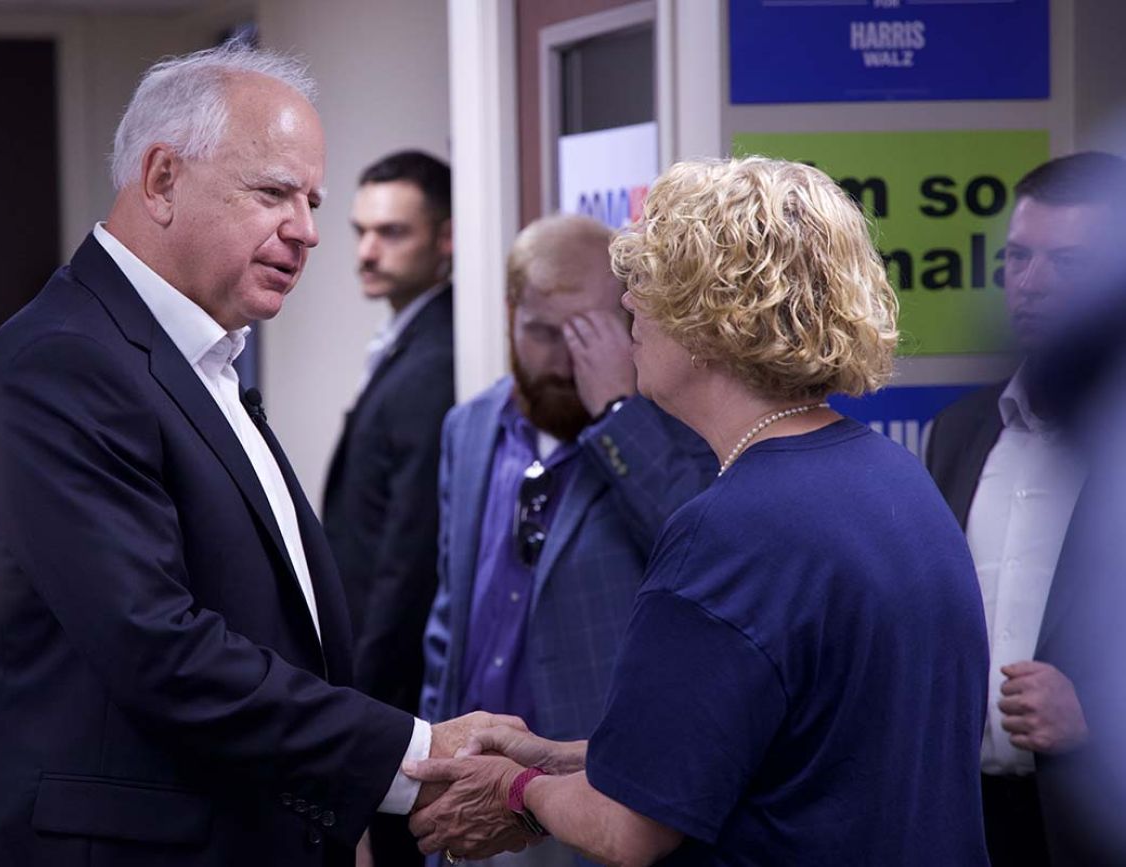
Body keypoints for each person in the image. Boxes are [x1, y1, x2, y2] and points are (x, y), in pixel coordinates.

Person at [0, 40, 511, 867]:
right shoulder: (63, 361)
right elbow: (162, 651)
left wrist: (334, 807)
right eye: (275, 193)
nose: (310, 232)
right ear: (162, 179)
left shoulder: (198, 356)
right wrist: (411, 760)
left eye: (313, 200)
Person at [405, 157, 990, 866]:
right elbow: (782, 747)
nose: (629, 310)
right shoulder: (895, 478)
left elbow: (631, 826)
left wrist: (516, 788)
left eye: (645, 285)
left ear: (714, 316)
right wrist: (555, 757)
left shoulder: (732, 526)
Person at [419, 214, 716, 866]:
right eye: (541, 332)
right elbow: (451, 615)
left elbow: (700, 545)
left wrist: (616, 411)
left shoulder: (664, 433)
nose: (560, 360)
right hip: (469, 793)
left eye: (586, 334)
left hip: (595, 806)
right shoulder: (470, 427)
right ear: (509, 314)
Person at [925, 152, 1126, 867]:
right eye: (1019, 257)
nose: (1032, 286)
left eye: (1069, 264)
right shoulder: (957, 431)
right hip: (966, 820)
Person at [322, 150, 454, 867]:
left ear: (447, 238)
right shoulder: (409, 336)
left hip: (394, 695)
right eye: (360, 230)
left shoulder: (439, 357)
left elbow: (406, 560)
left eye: (393, 232)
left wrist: (358, 716)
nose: (367, 251)